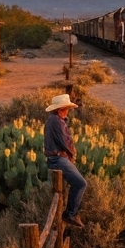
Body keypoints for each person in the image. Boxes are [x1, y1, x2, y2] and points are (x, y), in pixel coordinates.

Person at [43, 93, 88, 228]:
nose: (67, 111)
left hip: (55, 158)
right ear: (61, 109)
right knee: (81, 184)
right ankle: (71, 213)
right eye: (66, 108)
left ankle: (70, 213)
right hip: (58, 159)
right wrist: (72, 155)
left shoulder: (52, 120)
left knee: (77, 183)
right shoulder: (57, 121)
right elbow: (66, 142)